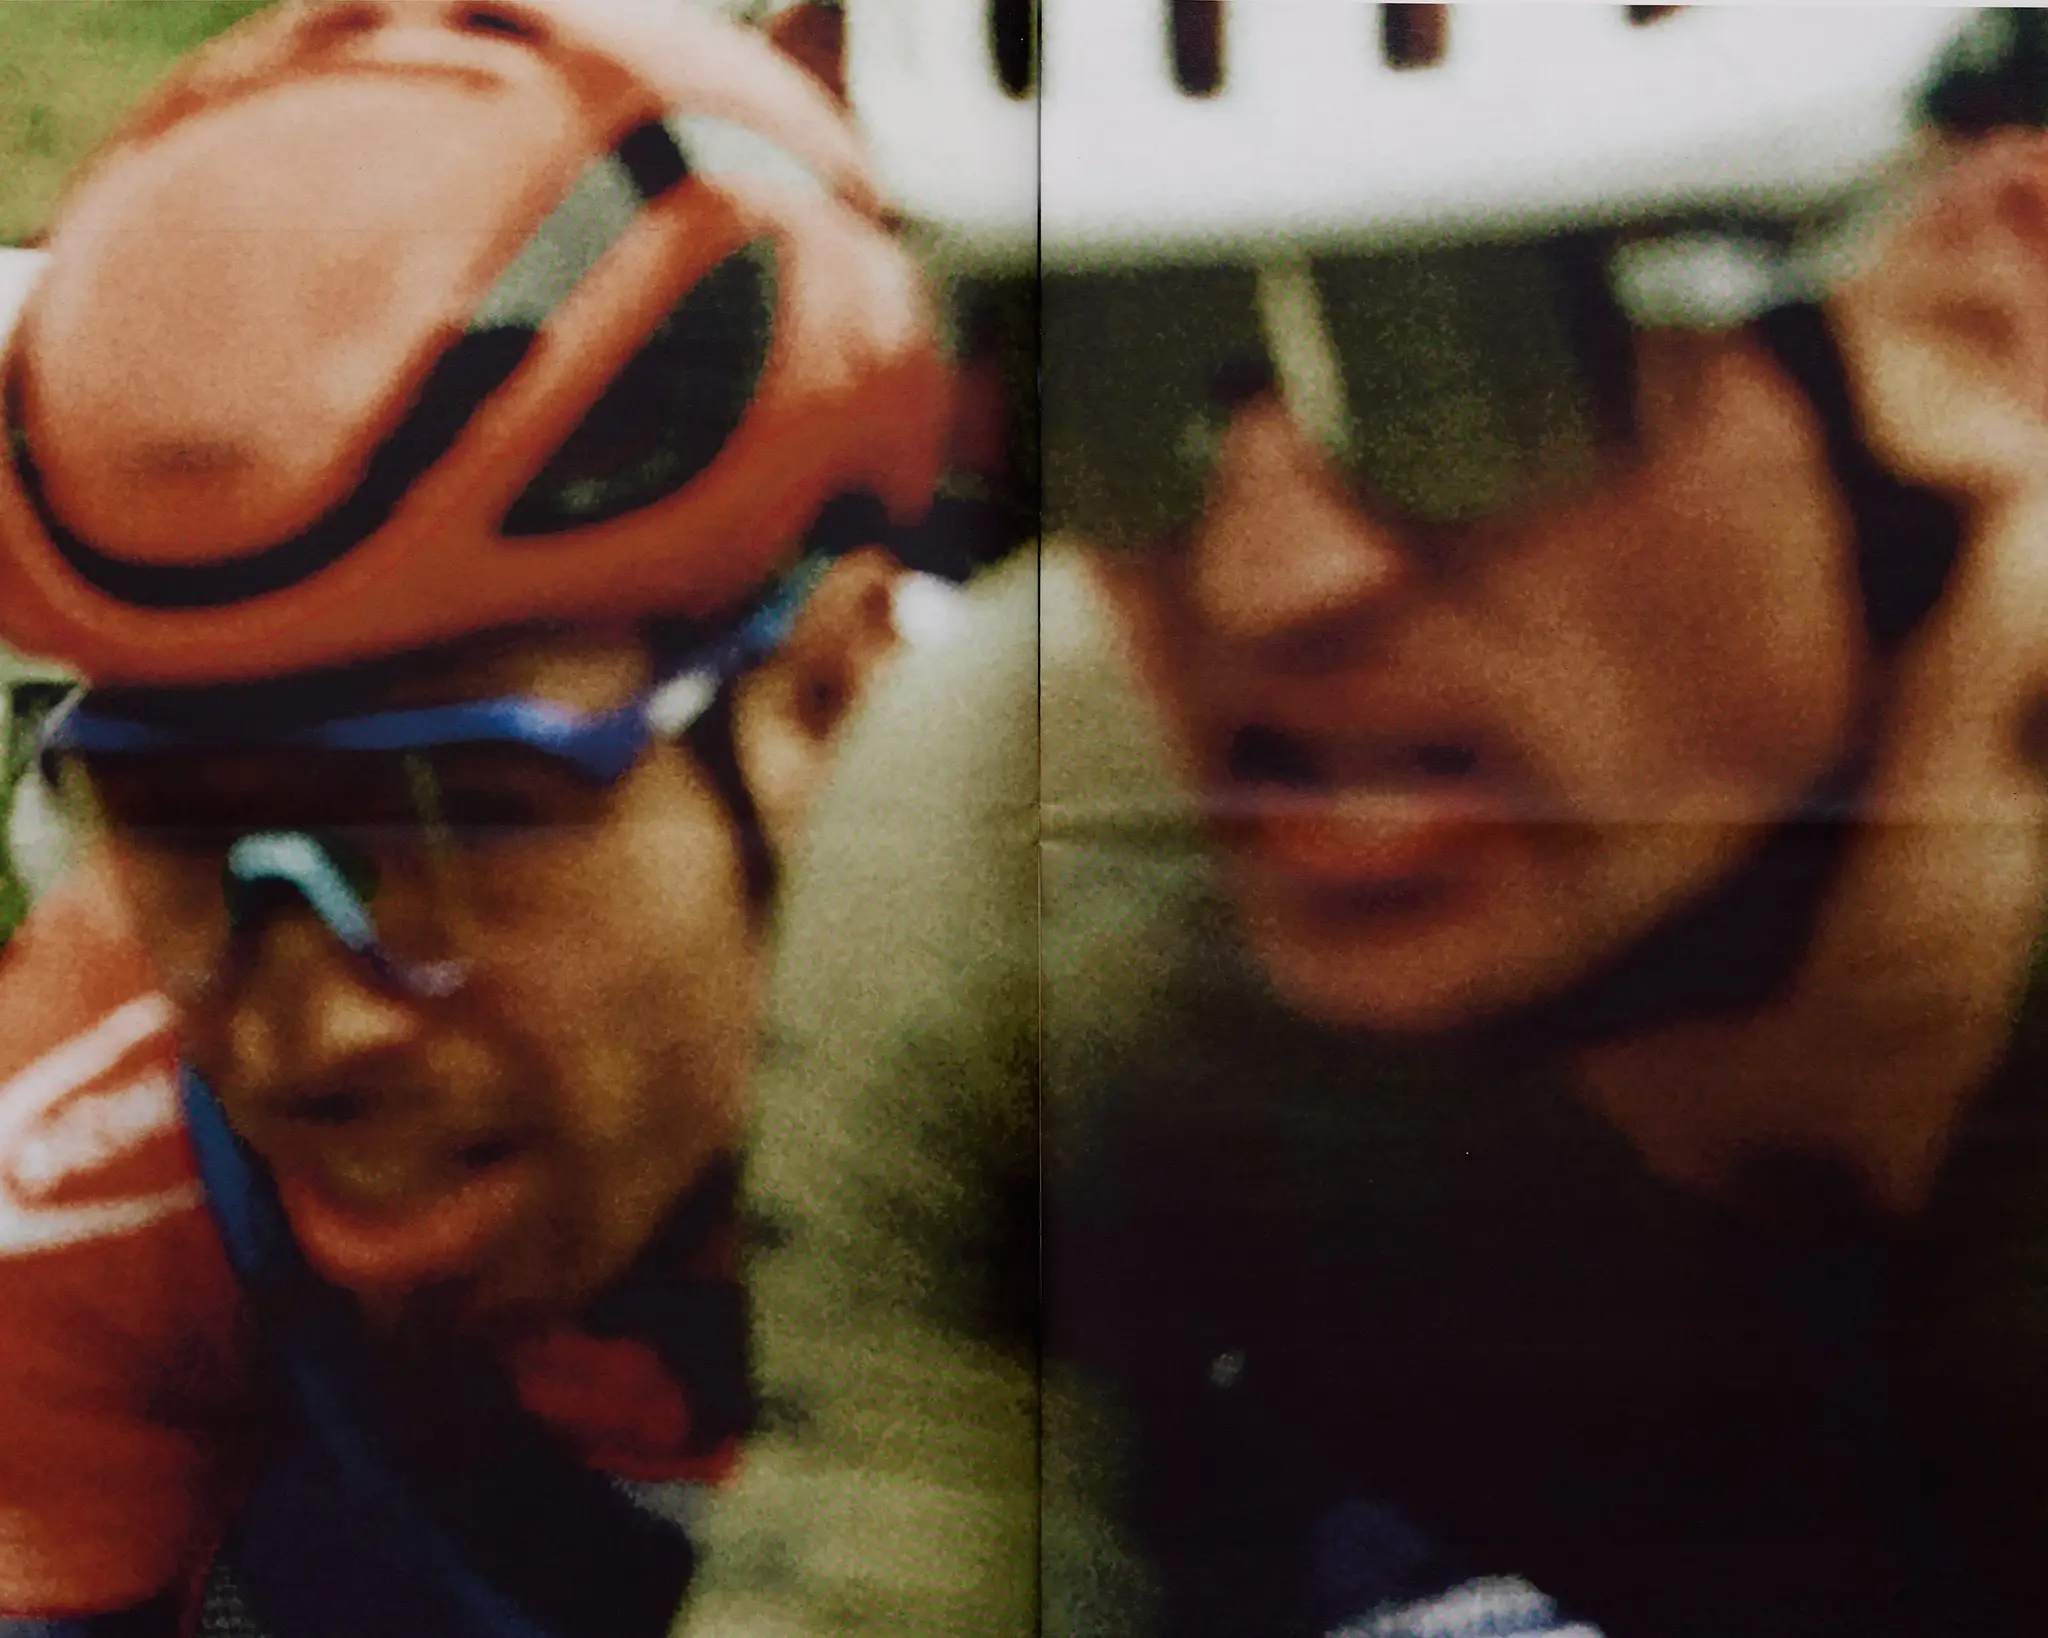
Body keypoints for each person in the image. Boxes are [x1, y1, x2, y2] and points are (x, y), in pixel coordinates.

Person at [672, 5, 2048, 1637]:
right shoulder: (1026, 832)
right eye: (1105, 379)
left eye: (1474, 361)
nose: (1276, 579)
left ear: (1989, 316)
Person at [0, 2, 953, 1634]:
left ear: (829, 698)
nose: (317, 1017)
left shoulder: (1205, 993)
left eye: (457, 818)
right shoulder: (106, 1117)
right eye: (165, 819)